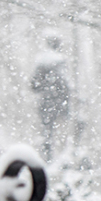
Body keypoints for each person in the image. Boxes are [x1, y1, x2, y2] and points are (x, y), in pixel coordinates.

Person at [31, 31, 71, 161]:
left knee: (48, 133)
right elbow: (65, 84)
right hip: (58, 103)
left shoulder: (42, 61)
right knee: (58, 135)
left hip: (46, 103)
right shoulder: (59, 61)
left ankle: (48, 159)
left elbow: (34, 85)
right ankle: (55, 160)